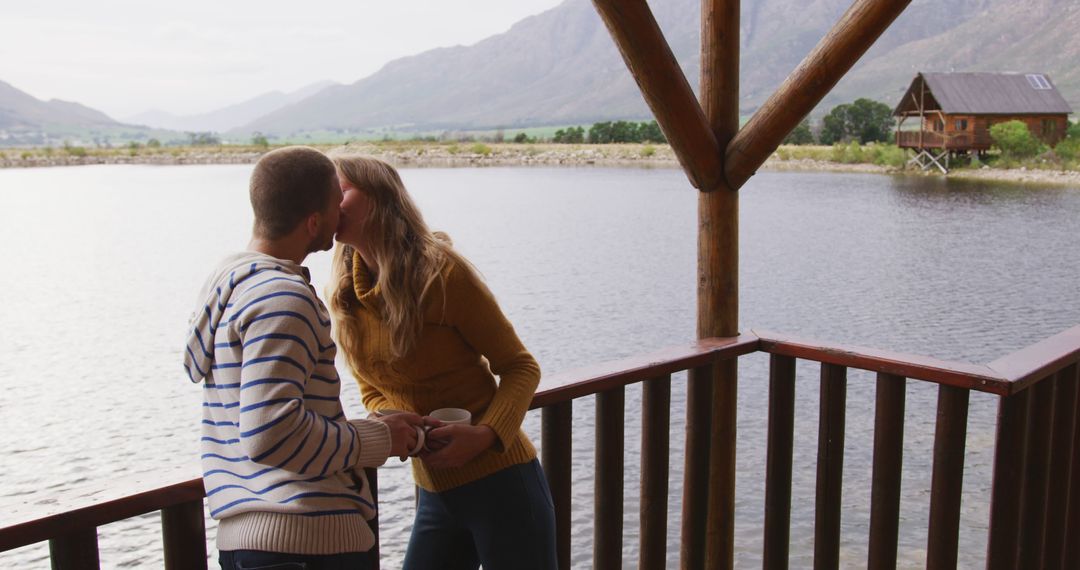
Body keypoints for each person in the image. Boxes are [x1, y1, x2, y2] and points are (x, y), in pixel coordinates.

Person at [182, 146, 425, 570]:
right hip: (304, 543)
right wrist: (379, 439)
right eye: (336, 204)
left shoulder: (230, 284)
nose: (340, 215)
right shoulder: (281, 298)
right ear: (314, 221)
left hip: (252, 542)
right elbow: (271, 433)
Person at [327, 155, 557, 570]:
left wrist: (485, 434)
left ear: (379, 196)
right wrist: (397, 424)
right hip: (434, 491)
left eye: (340, 190)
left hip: (502, 483)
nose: (329, 201)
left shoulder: (442, 274)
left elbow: (521, 366)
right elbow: (371, 388)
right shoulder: (345, 295)